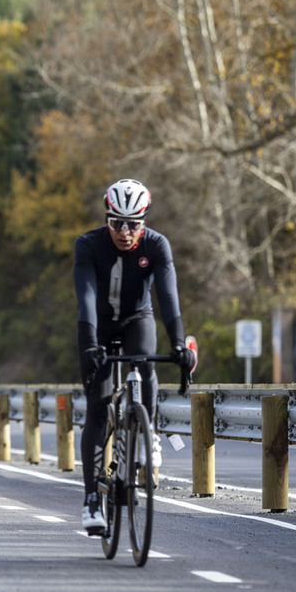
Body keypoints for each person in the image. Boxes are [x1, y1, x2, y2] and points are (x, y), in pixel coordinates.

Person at [72, 178, 196, 534]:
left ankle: (149, 430)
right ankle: (92, 501)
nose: (125, 232)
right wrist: (91, 344)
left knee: (144, 364)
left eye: (133, 225)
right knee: (97, 407)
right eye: (116, 223)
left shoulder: (157, 245)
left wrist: (177, 344)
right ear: (107, 218)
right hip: (97, 325)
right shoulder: (89, 245)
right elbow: (85, 300)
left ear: (144, 222)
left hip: (136, 320)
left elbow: (168, 297)